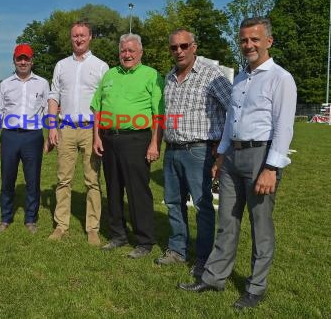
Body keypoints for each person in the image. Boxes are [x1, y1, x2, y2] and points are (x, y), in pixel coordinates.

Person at [178, 17, 297, 310]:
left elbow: (284, 128)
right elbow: (232, 121)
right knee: (227, 222)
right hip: (232, 157)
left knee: (260, 226)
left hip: (261, 157)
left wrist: (271, 168)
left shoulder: (281, 78)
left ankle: (256, 287)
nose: (249, 45)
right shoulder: (241, 79)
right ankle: (214, 277)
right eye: (244, 40)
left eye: (255, 39)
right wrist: (221, 155)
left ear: (268, 41)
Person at [155, 29, 232, 277]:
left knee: (202, 206)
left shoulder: (212, 75)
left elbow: (234, 107)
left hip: (199, 150)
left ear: (194, 47)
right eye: (174, 47)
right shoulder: (168, 77)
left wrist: (221, 144)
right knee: (174, 203)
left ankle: (204, 256)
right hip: (172, 150)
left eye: (183, 46)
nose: (178, 51)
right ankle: (177, 250)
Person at [91, 33, 164, 259]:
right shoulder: (110, 75)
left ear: (140, 52)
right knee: (113, 189)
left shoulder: (151, 75)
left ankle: (144, 240)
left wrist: (155, 143)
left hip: (137, 140)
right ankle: (118, 235)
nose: (127, 54)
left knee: (137, 191)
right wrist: (96, 137)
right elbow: (97, 108)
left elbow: (158, 114)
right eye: (123, 50)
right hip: (109, 139)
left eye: (132, 50)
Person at [47, 21, 109, 246]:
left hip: (90, 130)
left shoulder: (101, 66)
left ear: (90, 37)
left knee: (92, 181)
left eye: (82, 35)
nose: (79, 39)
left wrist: (100, 133)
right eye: (75, 36)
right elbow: (53, 96)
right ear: (71, 38)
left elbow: (104, 101)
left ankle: (92, 228)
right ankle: (61, 225)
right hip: (66, 129)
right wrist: (52, 126)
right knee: (63, 180)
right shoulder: (61, 65)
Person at [0, 44, 50, 234]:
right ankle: (6, 218)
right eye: (19, 58)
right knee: (7, 178)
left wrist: (49, 137)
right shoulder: (5, 84)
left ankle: (31, 219)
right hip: (9, 136)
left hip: (33, 137)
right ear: (14, 61)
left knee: (33, 179)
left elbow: (48, 112)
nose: (23, 62)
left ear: (32, 61)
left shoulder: (42, 83)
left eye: (26, 58)